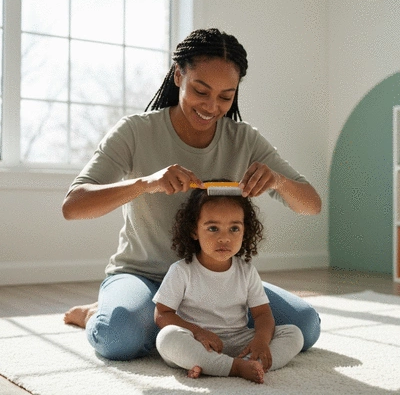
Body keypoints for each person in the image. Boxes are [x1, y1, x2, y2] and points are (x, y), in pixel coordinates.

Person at [62, 28, 322, 361]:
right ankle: (106, 313)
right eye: (201, 90)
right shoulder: (135, 131)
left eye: (226, 97)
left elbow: (311, 205)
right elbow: (73, 206)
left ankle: (166, 325)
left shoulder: (244, 139)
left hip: (216, 282)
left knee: (306, 326)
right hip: (146, 277)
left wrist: (279, 182)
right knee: (118, 337)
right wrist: (146, 183)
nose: (212, 106)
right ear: (177, 75)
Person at [154, 187, 304, 384]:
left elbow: (262, 315)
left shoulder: (247, 271)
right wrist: (198, 332)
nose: (224, 238)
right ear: (194, 230)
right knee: (167, 338)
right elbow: (162, 314)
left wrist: (260, 341)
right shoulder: (181, 271)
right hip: (197, 342)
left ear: (245, 230)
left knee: (294, 333)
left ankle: (225, 365)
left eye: (234, 228)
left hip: (238, 340)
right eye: (213, 228)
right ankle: (235, 367)